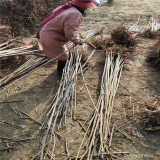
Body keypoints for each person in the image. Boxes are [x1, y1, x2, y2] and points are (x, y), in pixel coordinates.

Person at [37, 0, 95, 73]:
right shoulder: (75, 13)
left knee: (61, 52)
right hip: (51, 37)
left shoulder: (65, 7)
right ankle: (61, 71)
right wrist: (79, 41)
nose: (86, 9)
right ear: (82, 7)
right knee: (64, 55)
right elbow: (70, 34)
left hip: (43, 32)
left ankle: (60, 68)